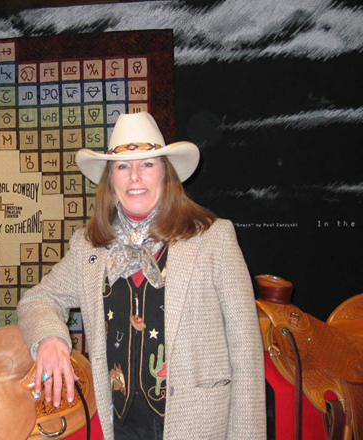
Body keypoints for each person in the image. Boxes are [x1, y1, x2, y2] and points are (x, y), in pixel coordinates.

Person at [17, 112, 266, 440]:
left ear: (166, 173)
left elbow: (246, 353)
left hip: (197, 426)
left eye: (147, 164)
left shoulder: (213, 239)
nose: (135, 177)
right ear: (110, 179)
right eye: (123, 166)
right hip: (119, 426)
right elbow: (37, 299)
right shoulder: (89, 248)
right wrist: (50, 338)